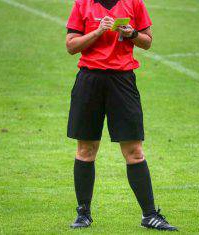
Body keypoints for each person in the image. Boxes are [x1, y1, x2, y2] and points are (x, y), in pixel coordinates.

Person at [65, 0, 177, 231]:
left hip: (122, 81)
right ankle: (83, 213)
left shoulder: (134, 3)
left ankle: (149, 215)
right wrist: (99, 31)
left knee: (134, 152)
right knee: (86, 150)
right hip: (89, 81)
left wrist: (132, 33)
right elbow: (71, 46)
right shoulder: (83, 4)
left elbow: (146, 42)